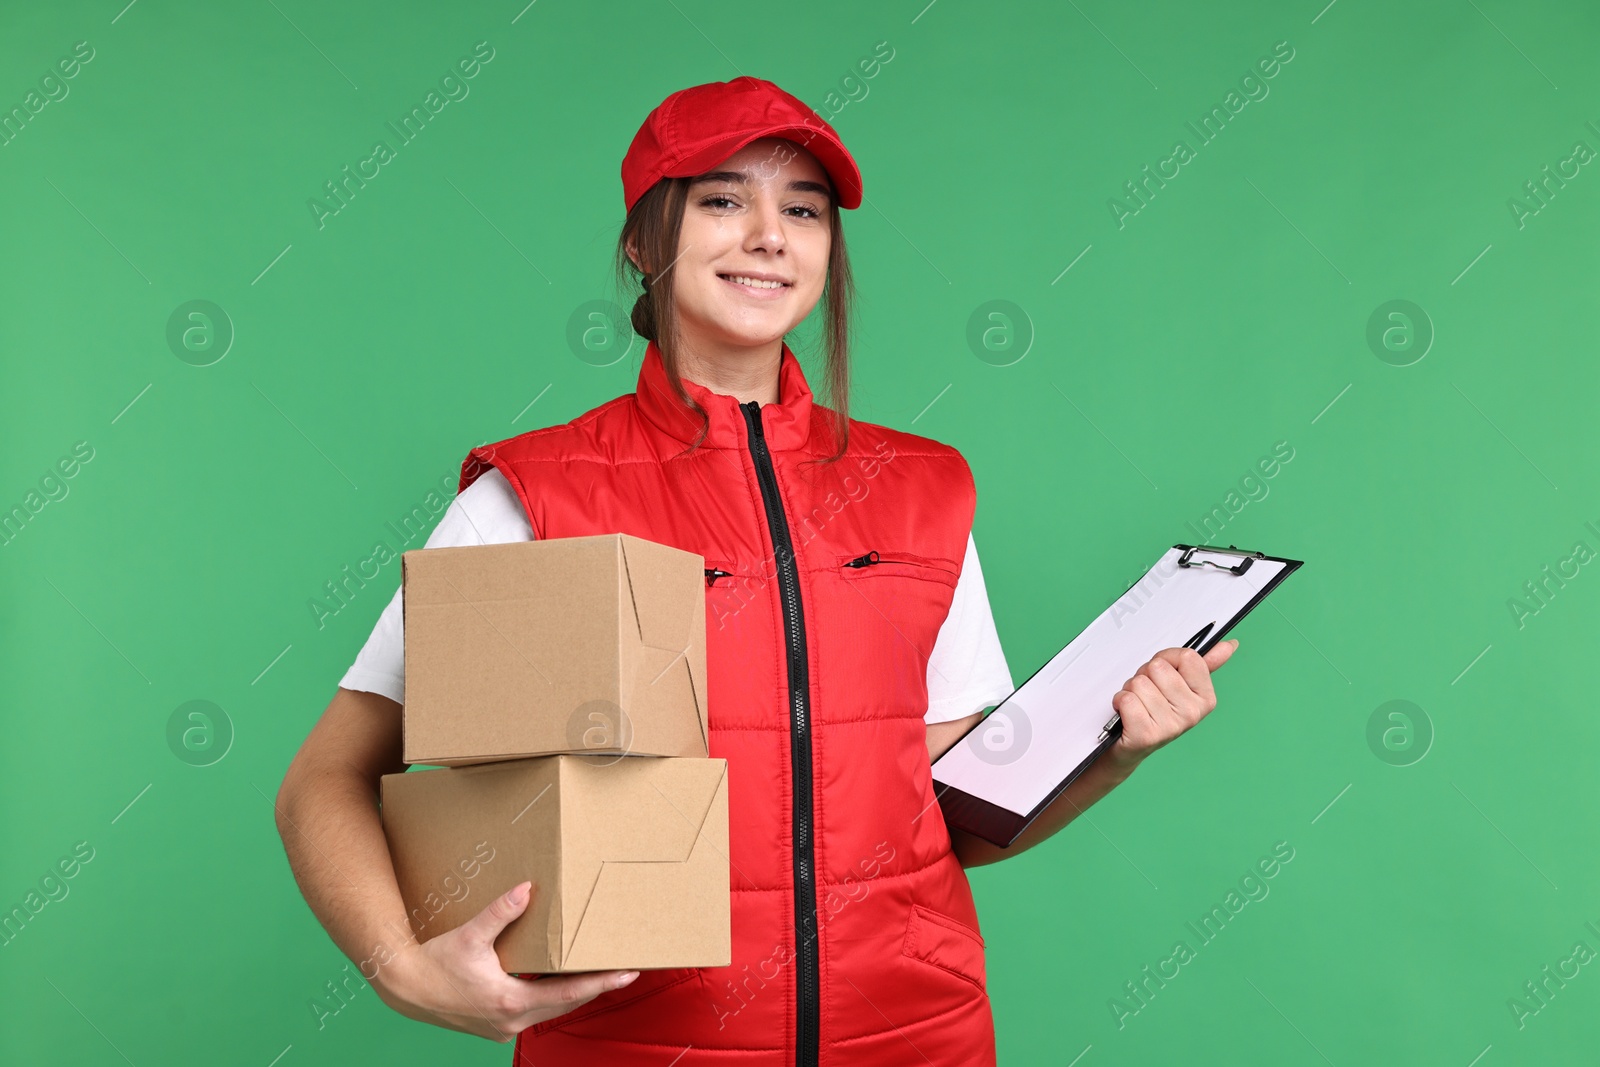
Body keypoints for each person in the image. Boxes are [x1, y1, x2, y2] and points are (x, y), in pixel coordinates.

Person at [274, 76, 1237, 1066]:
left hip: (921, 1038)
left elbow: (956, 821)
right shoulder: (534, 496)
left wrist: (1114, 748)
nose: (771, 234)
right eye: (724, 199)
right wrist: (404, 966)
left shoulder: (921, 490)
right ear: (645, 242)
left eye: (804, 209)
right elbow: (326, 778)